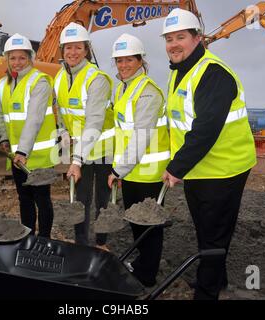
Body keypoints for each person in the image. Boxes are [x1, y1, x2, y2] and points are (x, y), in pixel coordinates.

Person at [161, 8, 257, 299]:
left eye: (180, 37)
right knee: (205, 228)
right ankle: (217, 278)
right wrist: (181, 166)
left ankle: (207, 292)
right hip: (199, 169)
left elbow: (205, 129)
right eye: (168, 38)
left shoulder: (213, 73)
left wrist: (176, 167)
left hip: (225, 168)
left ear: (198, 38)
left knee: (214, 234)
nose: (173, 44)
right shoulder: (181, 73)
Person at [107, 33, 171, 287]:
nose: (123, 66)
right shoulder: (123, 88)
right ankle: (143, 264)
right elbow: (122, 133)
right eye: (119, 61)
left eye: (128, 60)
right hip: (133, 171)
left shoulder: (147, 92)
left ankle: (147, 276)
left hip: (149, 173)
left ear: (140, 60)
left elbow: (140, 137)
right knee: (136, 222)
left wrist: (117, 169)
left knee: (149, 226)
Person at [54, 22, 114, 250]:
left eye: (78, 47)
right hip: (81, 148)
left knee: (102, 199)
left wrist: (76, 161)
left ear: (86, 50)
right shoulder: (59, 78)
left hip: (103, 148)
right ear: (62, 50)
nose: (72, 52)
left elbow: (94, 122)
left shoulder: (96, 78)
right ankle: (80, 243)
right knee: (80, 199)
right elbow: (61, 115)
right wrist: (64, 138)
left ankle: (101, 243)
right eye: (68, 47)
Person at [0, 33, 58, 238]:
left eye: (22, 58)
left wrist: (22, 150)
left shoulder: (40, 81)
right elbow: (1, 115)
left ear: (30, 59)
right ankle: (28, 237)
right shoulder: (2, 84)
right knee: (24, 198)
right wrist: (4, 139)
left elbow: (34, 118)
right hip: (17, 156)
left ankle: (45, 239)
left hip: (39, 156)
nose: (17, 63)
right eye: (12, 58)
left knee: (42, 199)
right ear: (6, 59)